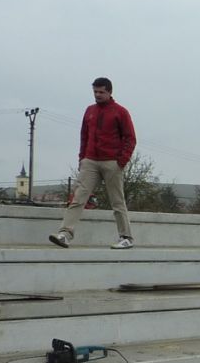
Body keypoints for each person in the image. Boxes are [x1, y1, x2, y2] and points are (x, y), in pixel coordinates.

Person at [49, 77, 137, 249]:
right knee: (78, 198)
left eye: (101, 92)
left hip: (112, 162)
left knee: (117, 202)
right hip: (90, 161)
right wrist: (82, 158)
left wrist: (121, 161)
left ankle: (126, 237)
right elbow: (84, 135)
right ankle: (65, 234)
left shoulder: (121, 112)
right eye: (95, 91)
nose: (97, 95)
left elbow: (130, 138)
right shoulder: (89, 111)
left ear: (109, 92)